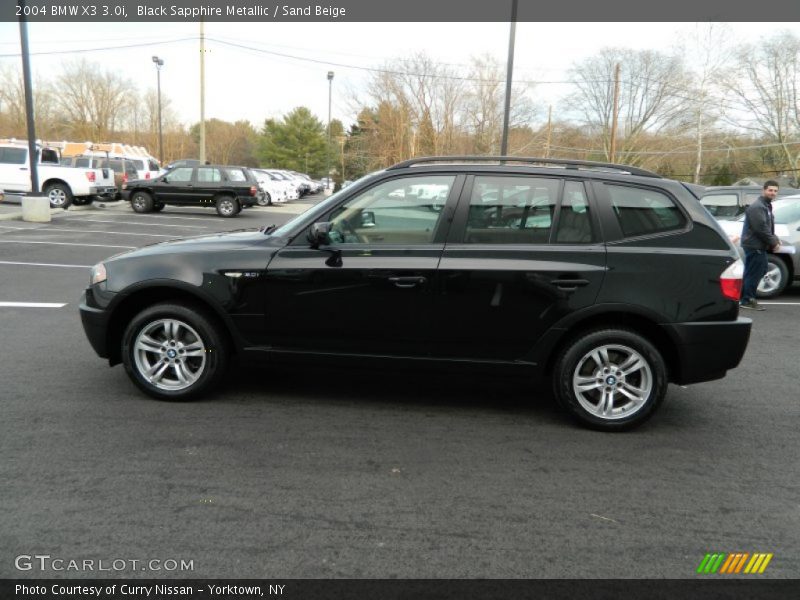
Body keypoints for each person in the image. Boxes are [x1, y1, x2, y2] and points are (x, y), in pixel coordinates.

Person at [739, 180, 781, 310]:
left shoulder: (765, 206)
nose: (773, 193)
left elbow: (767, 227)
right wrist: (773, 242)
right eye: (770, 190)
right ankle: (747, 300)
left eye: (775, 191)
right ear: (764, 190)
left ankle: (743, 297)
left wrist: (775, 239)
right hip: (754, 245)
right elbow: (760, 228)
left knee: (755, 271)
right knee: (755, 272)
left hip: (756, 244)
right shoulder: (758, 207)